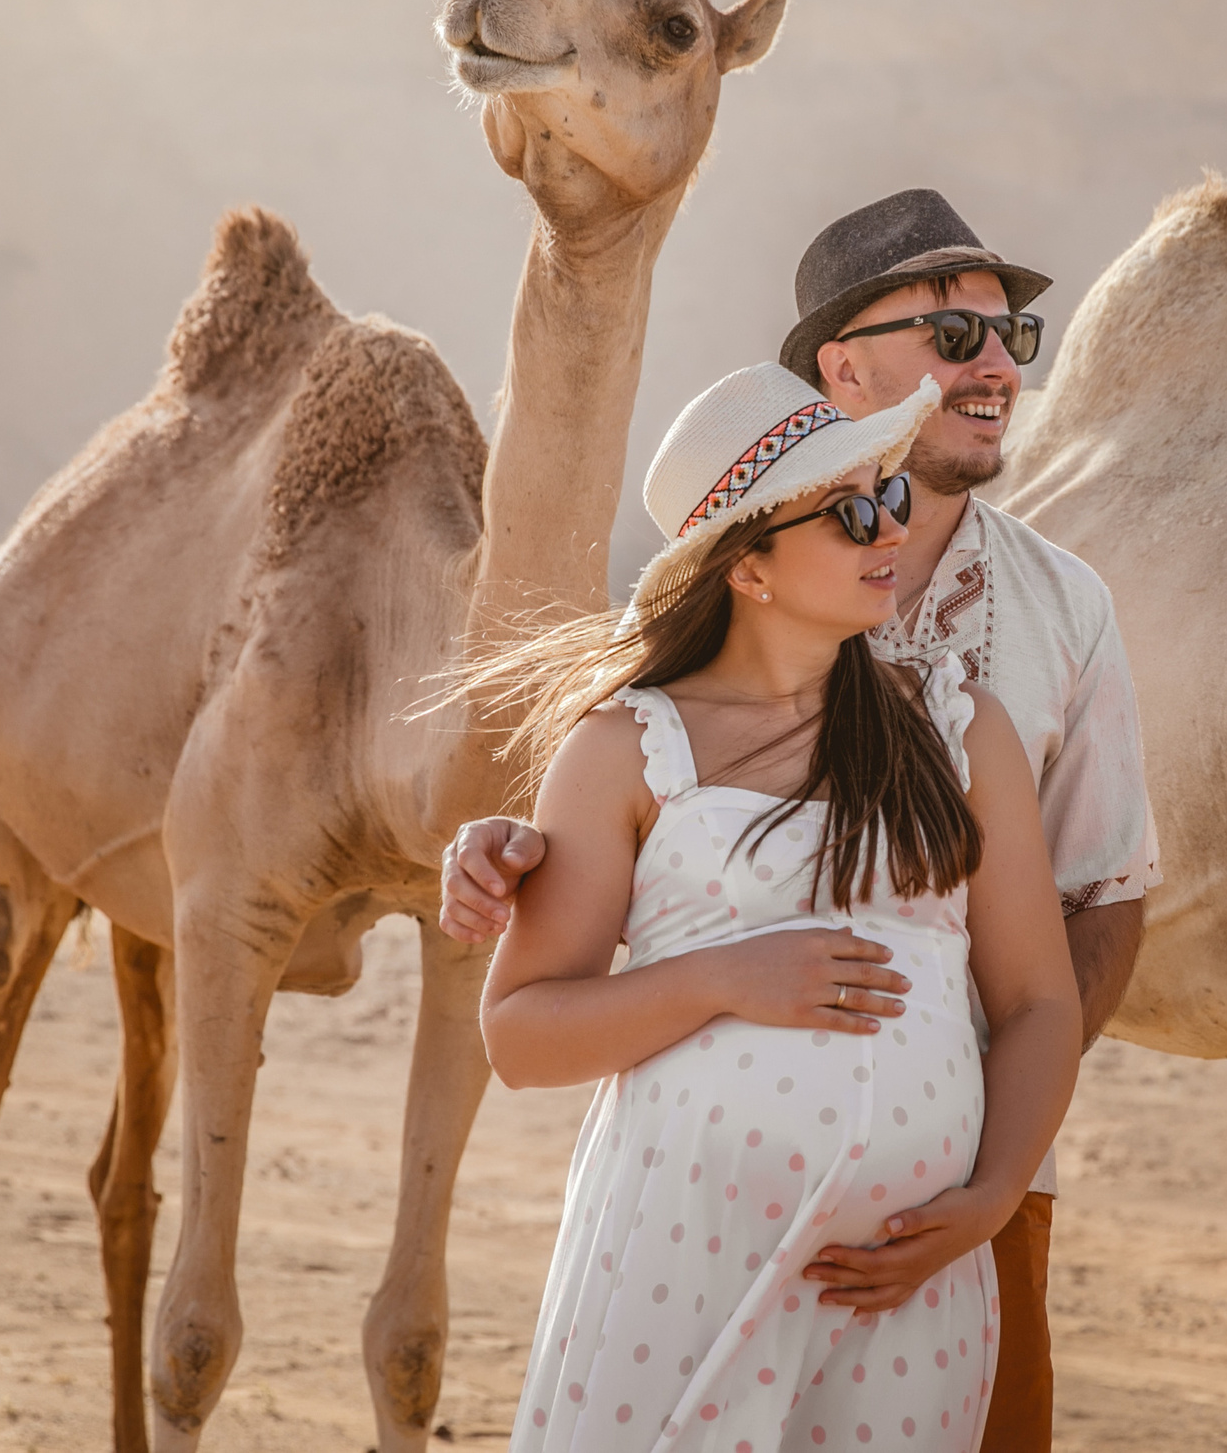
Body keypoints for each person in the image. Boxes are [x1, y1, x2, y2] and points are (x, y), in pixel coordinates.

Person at [447, 189, 1158, 1449]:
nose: (991, 366)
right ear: (748, 565)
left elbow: (1080, 933)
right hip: (680, 1257)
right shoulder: (636, 736)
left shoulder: (998, 682)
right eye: (953, 336)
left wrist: (992, 1187)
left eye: (883, 496)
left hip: (923, 1256)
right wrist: (724, 975)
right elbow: (530, 1012)